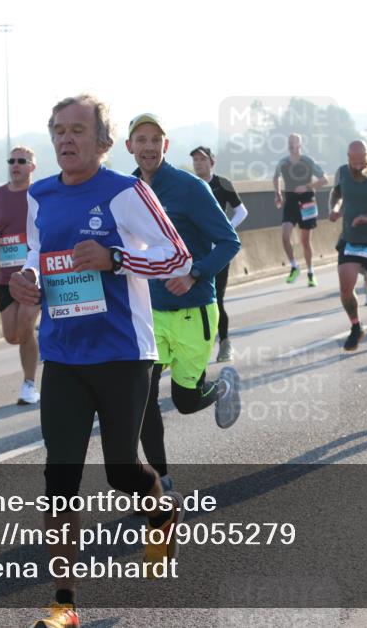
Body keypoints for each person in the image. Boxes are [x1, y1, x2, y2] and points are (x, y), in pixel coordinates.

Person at [8, 95, 191, 628]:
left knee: (120, 470)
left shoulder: (125, 192)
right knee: (59, 476)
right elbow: (36, 253)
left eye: (78, 130)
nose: (66, 139)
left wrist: (116, 259)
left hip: (123, 352)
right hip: (63, 353)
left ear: (104, 142)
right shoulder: (40, 194)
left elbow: (176, 256)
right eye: (58, 130)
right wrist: (28, 279)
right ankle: (64, 604)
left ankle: (160, 509)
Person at [127, 115, 242, 496]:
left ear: (165, 145)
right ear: (129, 146)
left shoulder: (190, 188)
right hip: (148, 312)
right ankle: (160, 480)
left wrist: (194, 273)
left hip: (193, 309)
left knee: (186, 402)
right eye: (140, 139)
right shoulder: (126, 192)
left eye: (154, 139)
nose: (148, 146)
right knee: (143, 399)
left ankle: (221, 387)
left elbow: (229, 241)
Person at [0, 146, 41, 405]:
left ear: (32, 166)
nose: (15, 165)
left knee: (26, 325)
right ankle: (41, 339)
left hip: (33, 273)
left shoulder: (40, 193)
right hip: (7, 274)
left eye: (21, 161)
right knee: (12, 335)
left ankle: (29, 385)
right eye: (11, 160)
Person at [329, 140, 367, 351]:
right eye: (354, 163)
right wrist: (335, 208)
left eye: (362, 162)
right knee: (346, 288)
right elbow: (337, 194)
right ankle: (356, 327)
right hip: (350, 239)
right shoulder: (342, 172)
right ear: (348, 157)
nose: (359, 166)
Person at [190, 146, 248, 362]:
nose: (198, 163)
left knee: (217, 299)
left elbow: (241, 211)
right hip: (196, 250)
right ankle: (197, 348)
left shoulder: (222, 183)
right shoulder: (190, 184)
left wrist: (225, 231)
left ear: (211, 162)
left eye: (202, 159)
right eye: (195, 160)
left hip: (219, 252)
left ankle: (224, 343)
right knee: (196, 300)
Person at [273, 133, 328, 286]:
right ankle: (294, 266)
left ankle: (310, 272)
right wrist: (278, 193)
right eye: (289, 142)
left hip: (307, 202)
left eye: (294, 142)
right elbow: (275, 176)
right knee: (285, 236)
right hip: (290, 202)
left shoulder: (308, 161)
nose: (291, 145)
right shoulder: (283, 162)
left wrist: (307, 186)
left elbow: (324, 180)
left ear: (299, 145)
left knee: (305, 241)